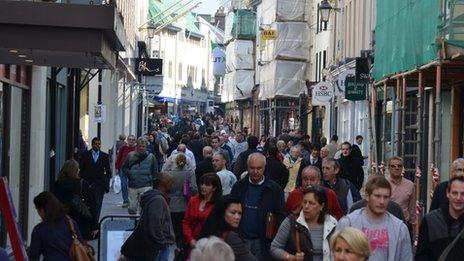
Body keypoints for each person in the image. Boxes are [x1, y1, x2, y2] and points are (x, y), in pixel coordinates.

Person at [337, 175, 413, 260]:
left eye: (386, 197)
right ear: (367, 196)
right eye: (377, 196)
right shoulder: (348, 224)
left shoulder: (400, 229)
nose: (382, 201)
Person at [230, 153, 285, 260]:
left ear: (264, 168)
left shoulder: (275, 189)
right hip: (242, 240)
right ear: (247, 167)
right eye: (252, 168)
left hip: (263, 242)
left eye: (259, 168)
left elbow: (280, 215)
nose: (255, 172)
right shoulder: (239, 186)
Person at [271, 187, 338, 261]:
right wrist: (290, 257)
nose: (306, 206)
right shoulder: (291, 221)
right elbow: (275, 248)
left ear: (321, 206)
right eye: (304, 202)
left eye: (311, 203)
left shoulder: (332, 224)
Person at [120, 173, 175, 261]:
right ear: (164, 183)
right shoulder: (158, 200)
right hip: (157, 248)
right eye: (171, 182)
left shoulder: (154, 198)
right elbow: (155, 226)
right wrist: (163, 243)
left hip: (153, 246)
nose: (173, 185)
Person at [415, 176, 464, 260]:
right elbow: (421, 255)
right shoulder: (430, 221)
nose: (459, 198)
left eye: (463, 194)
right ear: (448, 194)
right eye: (455, 193)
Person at [199, 196, 257, 261]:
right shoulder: (231, 237)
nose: (237, 217)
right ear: (222, 212)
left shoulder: (209, 230)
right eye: (233, 212)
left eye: (240, 213)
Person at [29, 192, 83, 261]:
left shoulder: (39, 229)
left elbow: (34, 255)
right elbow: (80, 243)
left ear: (42, 210)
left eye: (38, 210)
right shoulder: (71, 223)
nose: (38, 213)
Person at [51, 159, 95, 240]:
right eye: (78, 168)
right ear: (75, 170)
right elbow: (92, 204)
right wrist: (94, 225)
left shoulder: (57, 184)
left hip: (62, 219)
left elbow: (53, 201)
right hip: (80, 221)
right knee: (79, 246)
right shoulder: (81, 184)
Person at [167, 153, 198, 258]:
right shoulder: (190, 173)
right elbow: (194, 189)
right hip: (185, 204)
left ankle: (177, 246)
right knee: (183, 228)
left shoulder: (169, 174)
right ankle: (181, 248)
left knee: (175, 227)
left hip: (172, 204)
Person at [182, 173, 223, 250]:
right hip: (192, 243)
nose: (203, 187)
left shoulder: (219, 204)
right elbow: (186, 222)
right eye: (202, 184)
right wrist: (190, 239)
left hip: (210, 245)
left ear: (214, 188)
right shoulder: (193, 200)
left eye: (207, 185)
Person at [79, 137, 112, 224]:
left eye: (99, 144)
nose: (97, 146)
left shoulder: (104, 156)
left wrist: (106, 186)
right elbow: (81, 169)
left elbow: (108, 172)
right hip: (87, 184)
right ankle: (88, 222)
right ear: (92, 145)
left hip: (99, 185)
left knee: (97, 205)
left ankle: (95, 223)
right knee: (88, 204)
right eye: (96, 144)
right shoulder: (85, 155)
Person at [122, 137, 159, 214]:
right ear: (137, 146)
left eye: (143, 146)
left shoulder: (151, 157)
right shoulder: (130, 156)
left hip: (146, 185)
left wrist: (151, 180)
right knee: (132, 208)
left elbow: (155, 171)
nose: (141, 148)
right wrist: (130, 174)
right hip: (133, 185)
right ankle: (134, 222)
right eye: (140, 146)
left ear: (146, 147)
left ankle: (141, 224)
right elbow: (124, 168)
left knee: (143, 208)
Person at [386, 156, 416, 237]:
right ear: (388, 168)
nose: (397, 168)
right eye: (393, 166)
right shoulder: (383, 184)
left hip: (404, 225)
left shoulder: (410, 185)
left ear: (402, 168)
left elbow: (412, 208)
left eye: (399, 166)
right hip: (387, 225)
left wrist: (414, 229)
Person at [115, 135, 137, 208]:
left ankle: (132, 200)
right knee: (124, 184)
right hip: (123, 168)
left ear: (135, 141)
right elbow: (119, 157)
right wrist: (117, 167)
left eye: (133, 140)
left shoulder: (136, 149)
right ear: (127, 140)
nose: (131, 141)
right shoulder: (123, 148)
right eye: (130, 139)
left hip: (132, 169)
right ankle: (125, 201)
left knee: (131, 185)